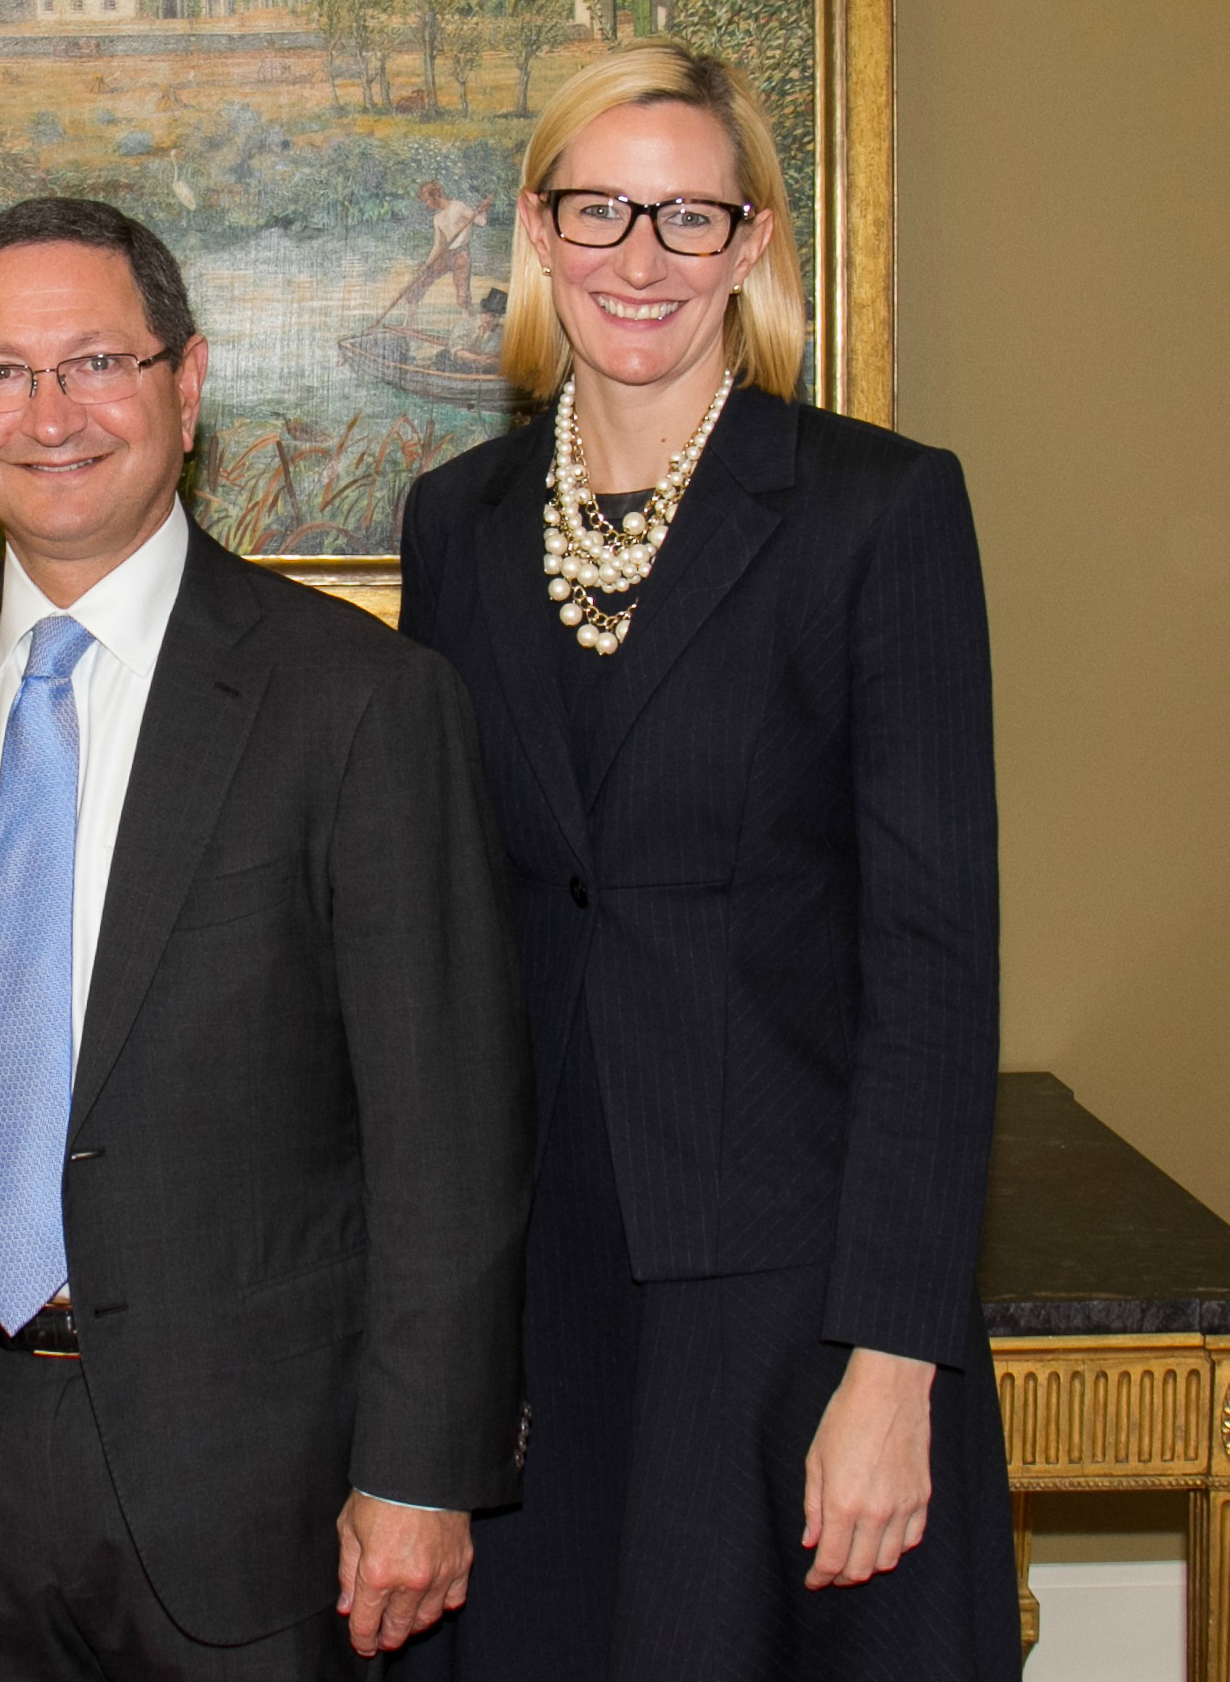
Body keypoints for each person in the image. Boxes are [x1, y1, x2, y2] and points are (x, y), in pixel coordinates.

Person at [0, 196, 535, 1678]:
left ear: (187, 384)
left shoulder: (356, 703)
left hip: (256, 1476)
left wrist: (421, 1466)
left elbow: (446, 1133)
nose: (49, 415)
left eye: (95, 361)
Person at [390, 43, 1019, 1680]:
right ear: (534, 230)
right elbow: (444, 923)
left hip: (781, 1299)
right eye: (598, 210)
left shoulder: (873, 513)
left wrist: (891, 1367)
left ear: (749, 244)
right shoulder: (452, 524)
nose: (638, 258)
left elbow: (933, 971)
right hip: (533, 1291)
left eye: (686, 217)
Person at [385, 185, 494, 323]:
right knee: (418, 285)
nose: (426, 204)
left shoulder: (458, 207)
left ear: (435, 196)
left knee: (463, 296)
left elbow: (482, 222)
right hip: (445, 254)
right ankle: (408, 325)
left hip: (461, 254)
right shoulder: (437, 218)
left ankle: (468, 329)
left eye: (427, 200)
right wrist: (427, 264)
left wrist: (484, 208)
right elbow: (438, 245)